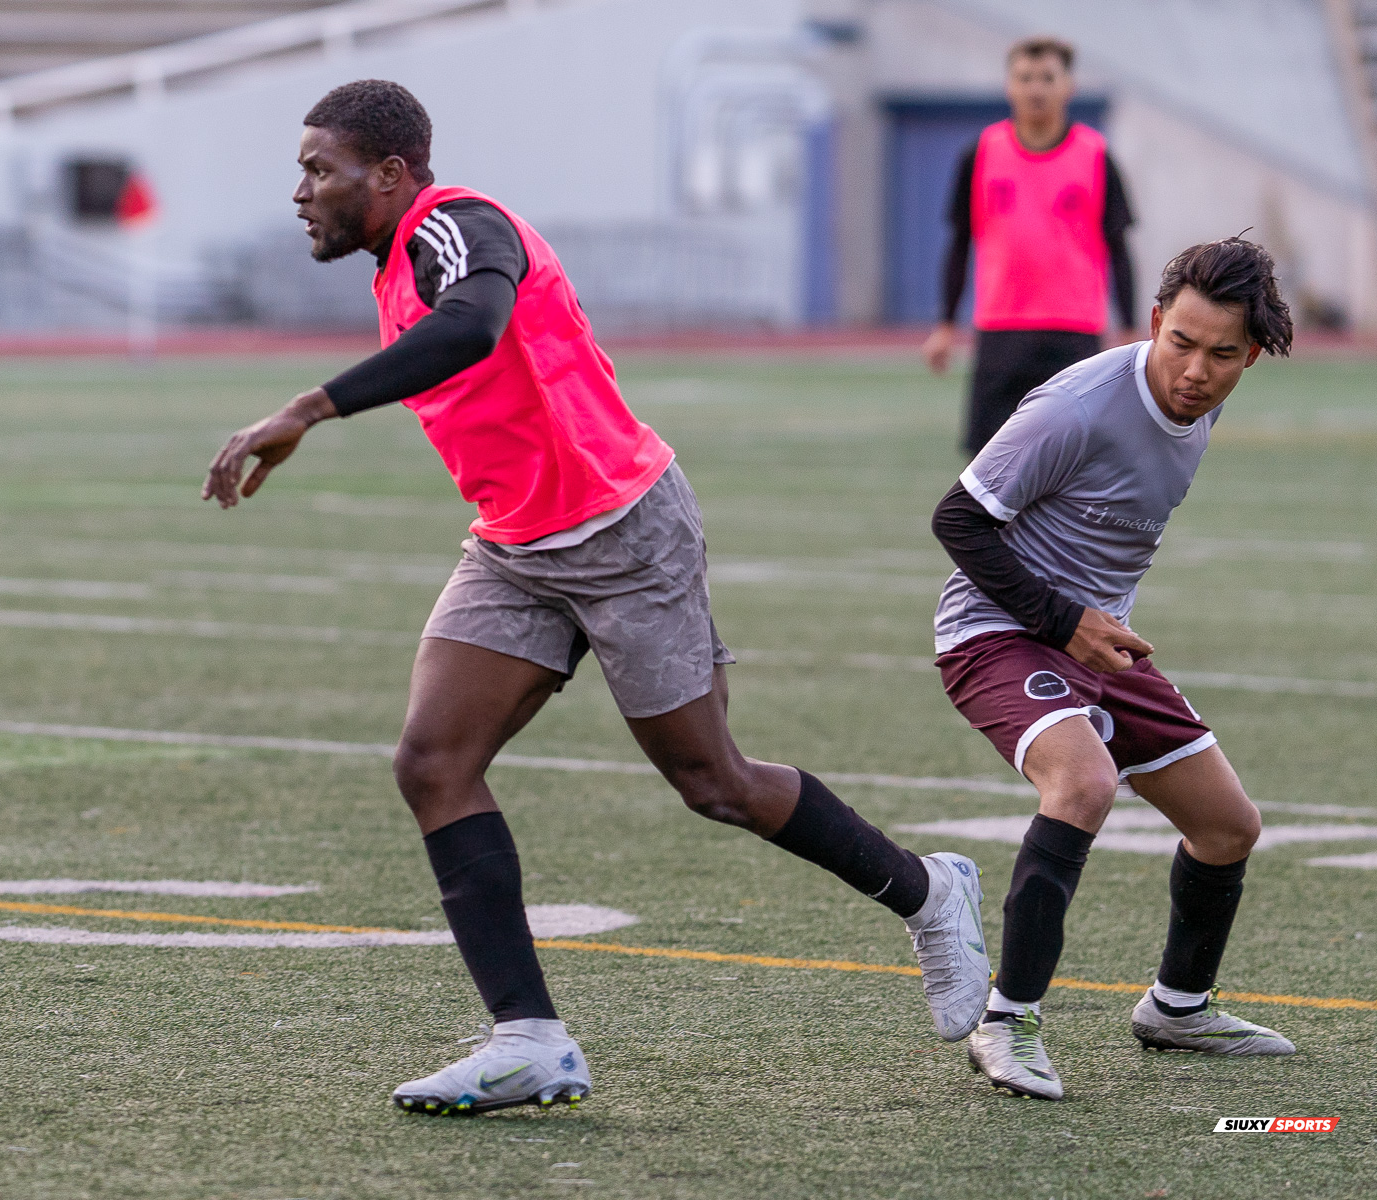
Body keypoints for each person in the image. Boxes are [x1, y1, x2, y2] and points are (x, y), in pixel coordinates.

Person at [203, 79, 992, 1116]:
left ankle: (928, 893)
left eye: (319, 169)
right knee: (433, 763)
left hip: (624, 530)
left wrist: (310, 406)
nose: (301, 192)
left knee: (714, 782)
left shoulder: (455, 226)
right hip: (516, 544)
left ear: (390, 175)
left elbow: (476, 324)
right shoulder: (395, 260)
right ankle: (529, 1041)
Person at [928, 237, 1298, 1101]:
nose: (1196, 371)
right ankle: (1005, 1023)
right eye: (1182, 343)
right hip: (997, 631)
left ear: (1251, 355)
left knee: (1227, 827)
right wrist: (1064, 623)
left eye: (1222, 355)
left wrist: (1091, 628)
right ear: (1157, 320)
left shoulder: (1201, 403)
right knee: (1084, 784)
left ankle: (1178, 1007)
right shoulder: (1080, 406)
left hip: (1099, 638)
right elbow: (958, 519)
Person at [922, 36, 1139, 456]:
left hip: (1074, 331)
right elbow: (959, 243)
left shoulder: (1096, 155)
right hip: (1002, 329)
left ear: (1068, 87)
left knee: (1074, 457)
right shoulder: (981, 153)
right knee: (989, 459)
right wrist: (946, 324)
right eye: (1025, 78)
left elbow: (1119, 247)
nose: (1036, 88)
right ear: (1009, 86)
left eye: (1047, 78)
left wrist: (1128, 326)